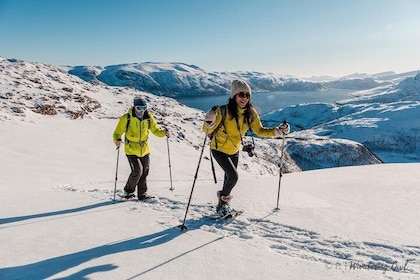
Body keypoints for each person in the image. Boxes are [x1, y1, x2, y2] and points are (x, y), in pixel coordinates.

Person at [203, 79, 290, 215]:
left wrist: (279, 131)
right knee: (233, 177)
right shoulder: (222, 111)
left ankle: (222, 207)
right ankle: (223, 203)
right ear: (234, 96)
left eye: (247, 95)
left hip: (234, 150)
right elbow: (207, 130)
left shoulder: (251, 113)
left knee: (228, 178)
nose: (244, 98)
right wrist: (209, 120)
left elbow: (260, 131)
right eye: (241, 95)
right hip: (218, 149)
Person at [113, 96, 170, 200]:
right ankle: (128, 191)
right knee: (137, 171)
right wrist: (117, 139)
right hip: (131, 149)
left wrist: (163, 133)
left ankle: (142, 194)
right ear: (135, 107)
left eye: (144, 108)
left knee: (145, 172)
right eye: (139, 108)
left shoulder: (148, 117)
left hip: (144, 149)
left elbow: (155, 130)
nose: (141, 110)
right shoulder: (127, 118)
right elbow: (117, 132)